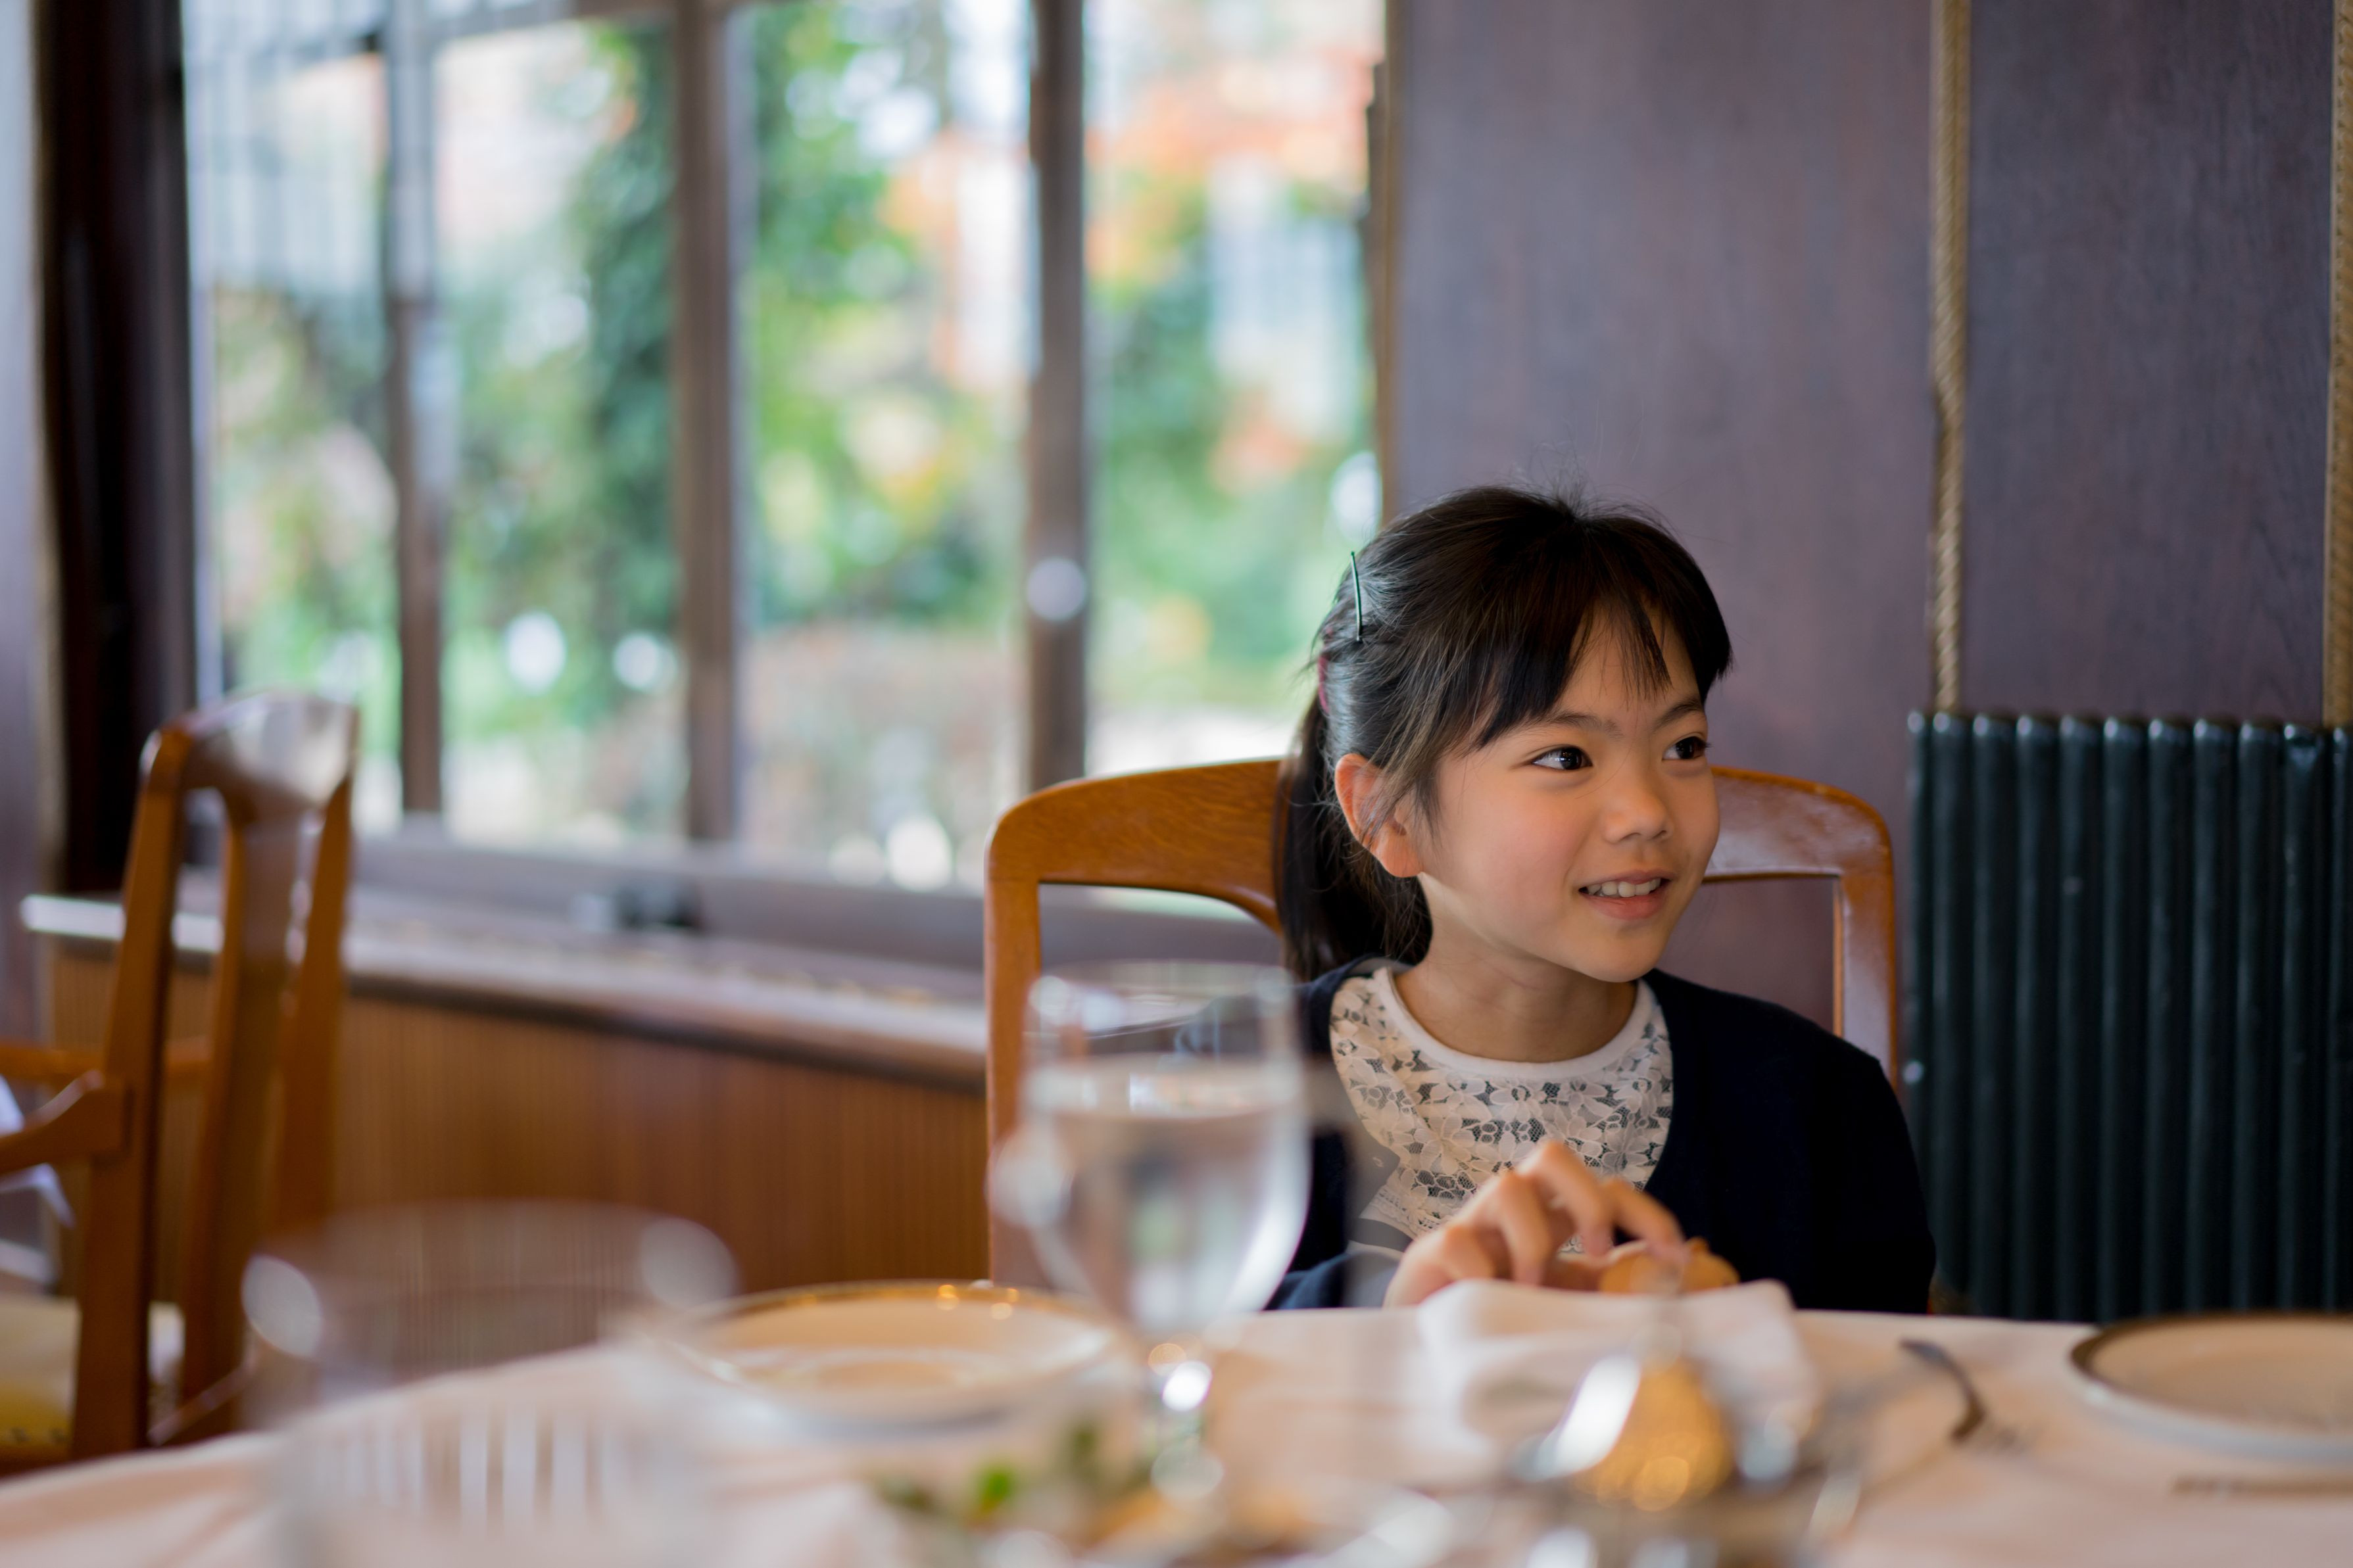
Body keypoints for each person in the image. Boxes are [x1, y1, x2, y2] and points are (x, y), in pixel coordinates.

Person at [1269, 484, 1933, 1312]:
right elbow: (1166, 1362)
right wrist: (1398, 1305)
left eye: (1682, 746)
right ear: (1387, 813)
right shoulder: (1225, 1090)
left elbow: (1877, 1381)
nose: (1647, 812)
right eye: (1565, 758)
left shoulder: (1817, 1106)